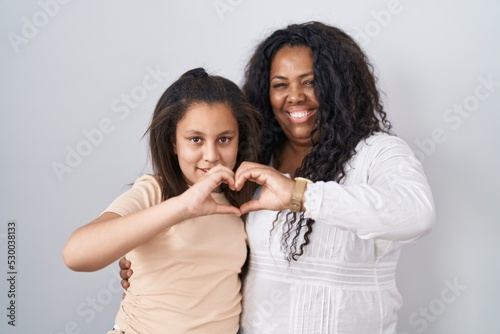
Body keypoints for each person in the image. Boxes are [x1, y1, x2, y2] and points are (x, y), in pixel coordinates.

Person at [120, 21, 436, 333]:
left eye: (310, 82)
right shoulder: (254, 161)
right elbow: (217, 246)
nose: (294, 96)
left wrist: (300, 195)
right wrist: (149, 261)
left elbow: (416, 214)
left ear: (338, 85)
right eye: (280, 84)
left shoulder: (376, 152)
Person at [62, 67, 262, 333]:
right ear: (173, 143)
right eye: (195, 140)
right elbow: (76, 254)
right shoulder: (155, 192)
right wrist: (182, 207)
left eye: (224, 139)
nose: (211, 155)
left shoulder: (240, 199)